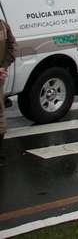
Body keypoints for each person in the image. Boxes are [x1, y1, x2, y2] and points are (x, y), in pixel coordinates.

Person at [0, 17, 17, 164]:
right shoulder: (3, 25)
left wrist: (3, 67)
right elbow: (12, 47)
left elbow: (12, 46)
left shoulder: (3, 26)